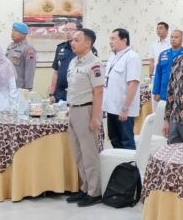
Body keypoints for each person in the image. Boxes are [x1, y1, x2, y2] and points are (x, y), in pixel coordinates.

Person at [65, 29, 105, 207]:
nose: (72, 43)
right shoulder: (73, 61)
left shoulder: (95, 64)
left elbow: (98, 92)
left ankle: (95, 192)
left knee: (89, 153)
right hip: (73, 110)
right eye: (72, 40)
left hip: (87, 110)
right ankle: (85, 187)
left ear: (88, 43)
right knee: (79, 153)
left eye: (76, 40)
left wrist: (95, 117)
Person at [103, 28, 142, 149]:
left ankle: (129, 162)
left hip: (123, 109)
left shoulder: (132, 57)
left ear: (124, 40)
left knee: (126, 141)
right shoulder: (113, 56)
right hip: (111, 108)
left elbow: (133, 84)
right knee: (114, 139)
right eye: (110, 39)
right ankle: (119, 161)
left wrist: (125, 108)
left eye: (113, 39)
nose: (110, 42)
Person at [49, 24, 97, 103]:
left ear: (79, 32)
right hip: (60, 93)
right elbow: (56, 72)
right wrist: (51, 93)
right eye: (66, 30)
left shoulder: (87, 49)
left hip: (78, 94)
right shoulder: (60, 48)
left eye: (70, 29)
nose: (68, 32)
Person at [152, 29, 183, 103]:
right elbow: (158, 74)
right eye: (172, 37)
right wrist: (156, 92)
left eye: (176, 37)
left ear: (182, 39)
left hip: (179, 92)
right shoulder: (163, 54)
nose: (173, 39)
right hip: (164, 92)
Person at [5, 22, 37, 91]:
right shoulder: (10, 46)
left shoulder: (28, 49)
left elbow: (30, 70)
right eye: (12, 30)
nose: (13, 33)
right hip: (7, 85)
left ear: (24, 34)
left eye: (16, 31)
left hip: (19, 87)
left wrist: (28, 88)